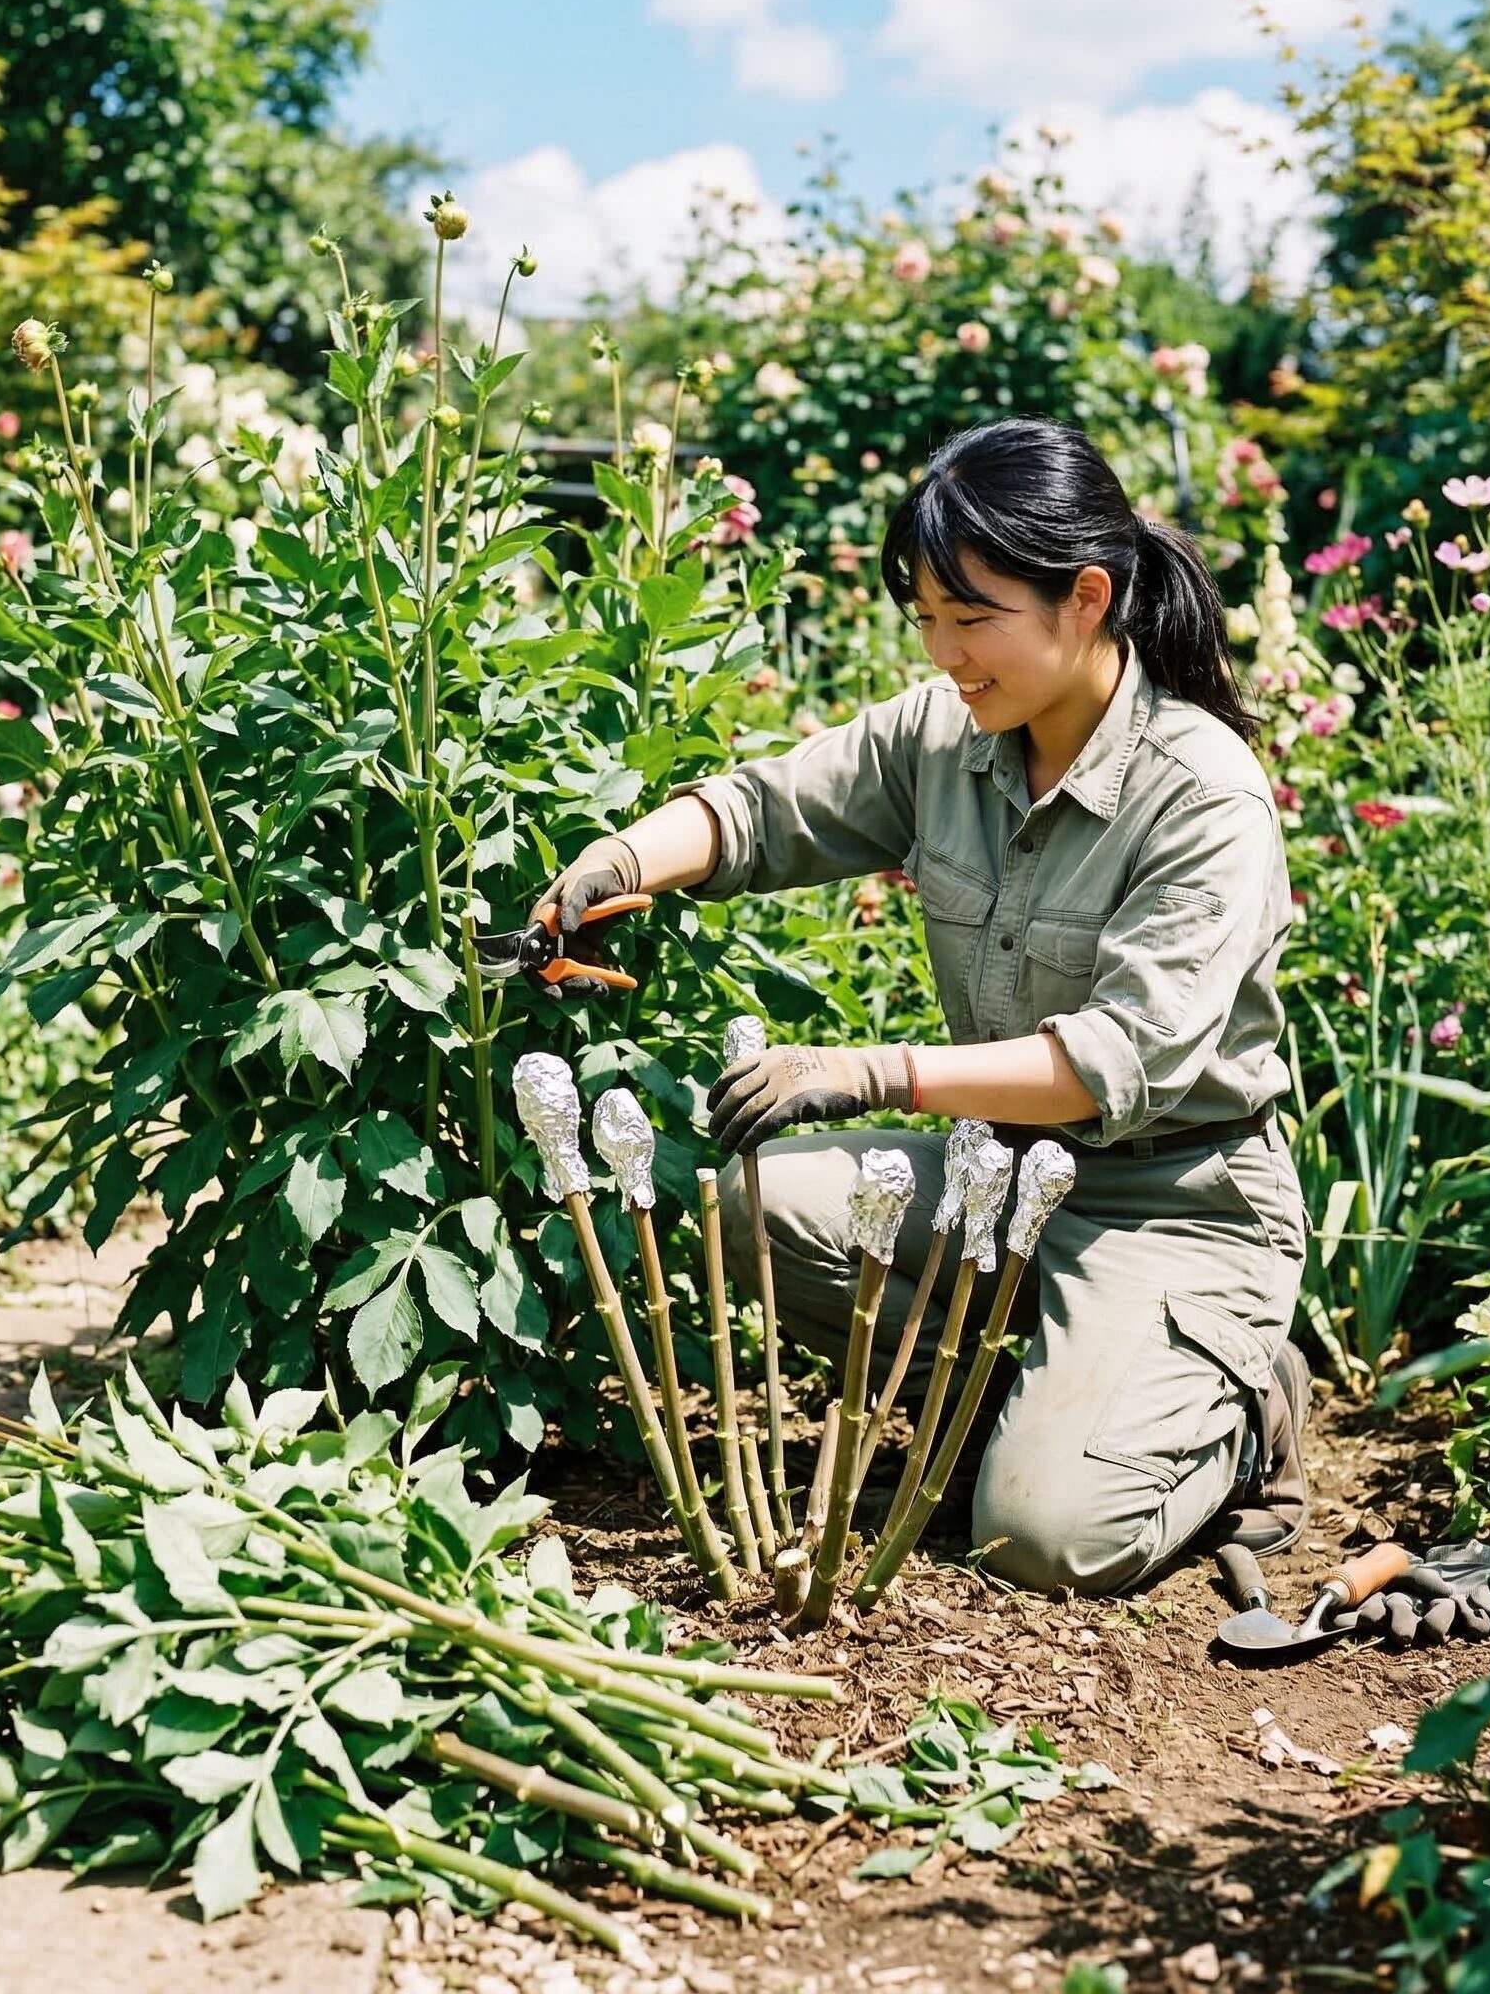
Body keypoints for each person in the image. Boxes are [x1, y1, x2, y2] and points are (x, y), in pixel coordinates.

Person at [532, 414, 1311, 1598]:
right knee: (740, 1206)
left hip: (1174, 1199)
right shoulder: (946, 734)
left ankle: (1243, 1401)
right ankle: (1054, 1398)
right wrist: (613, 863)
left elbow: (1108, 1061)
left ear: (1086, 596)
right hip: (998, 1172)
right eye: (927, 621)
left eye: (972, 617)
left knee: (1041, 1541)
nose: (945, 653)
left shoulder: (1202, 793)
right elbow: (759, 810)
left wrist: (865, 1068)